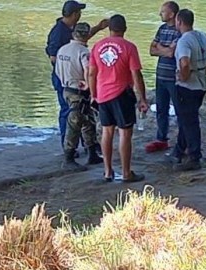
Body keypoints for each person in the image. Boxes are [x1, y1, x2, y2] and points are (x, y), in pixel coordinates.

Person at [88, 14, 149, 183]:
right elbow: (136, 74)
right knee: (124, 134)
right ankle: (126, 172)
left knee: (106, 132)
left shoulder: (97, 46)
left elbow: (92, 73)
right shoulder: (129, 47)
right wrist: (142, 98)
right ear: (125, 29)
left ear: (109, 29)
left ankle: (108, 171)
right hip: (122, 94)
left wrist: (94, 95)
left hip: (102, 94)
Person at [46, 1, 109, 153]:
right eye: (79, 12)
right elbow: (53, 57)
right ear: (74, 14)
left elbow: (81, 38)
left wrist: (98, 28)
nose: (80, 15)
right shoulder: (58, 32)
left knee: (83, 113)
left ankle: (88, 145)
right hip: (67, 79)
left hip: (74, 78)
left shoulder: (71, 29)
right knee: (68, 112)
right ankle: (68, 147)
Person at [172, 9, 206, 171]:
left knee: (190, 122)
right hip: (201, 84)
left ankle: (194, 157)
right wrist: (205, 70)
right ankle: (178, 151)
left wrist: (184, 77)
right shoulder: (201, 35)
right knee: (186, 120)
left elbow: (184, 63)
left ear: (179, 22)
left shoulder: (183, 41)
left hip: (188, 86)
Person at [55, 23, 103, 170]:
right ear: (87, 35)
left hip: (67, 89)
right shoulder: (83, 52)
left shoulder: (63, 49)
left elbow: (57, 70)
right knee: (74, 123)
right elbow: (89, 71)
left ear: (74, 34)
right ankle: (69, 158)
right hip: (79, 91)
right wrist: (90, 87)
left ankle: (92, 153)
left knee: (88, 121)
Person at [146, 1, 181, 154]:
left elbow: (170, 53)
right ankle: (161, 139)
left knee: (180, 109)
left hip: (174, 77)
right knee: (161, 108)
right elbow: (151, 50)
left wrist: (160, 48)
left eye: (163, 12)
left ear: (172, 14)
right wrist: (164, 49)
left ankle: (182, 140)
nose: (160, 14)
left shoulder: (180, 31)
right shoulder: (161, 29)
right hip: (160, 75)